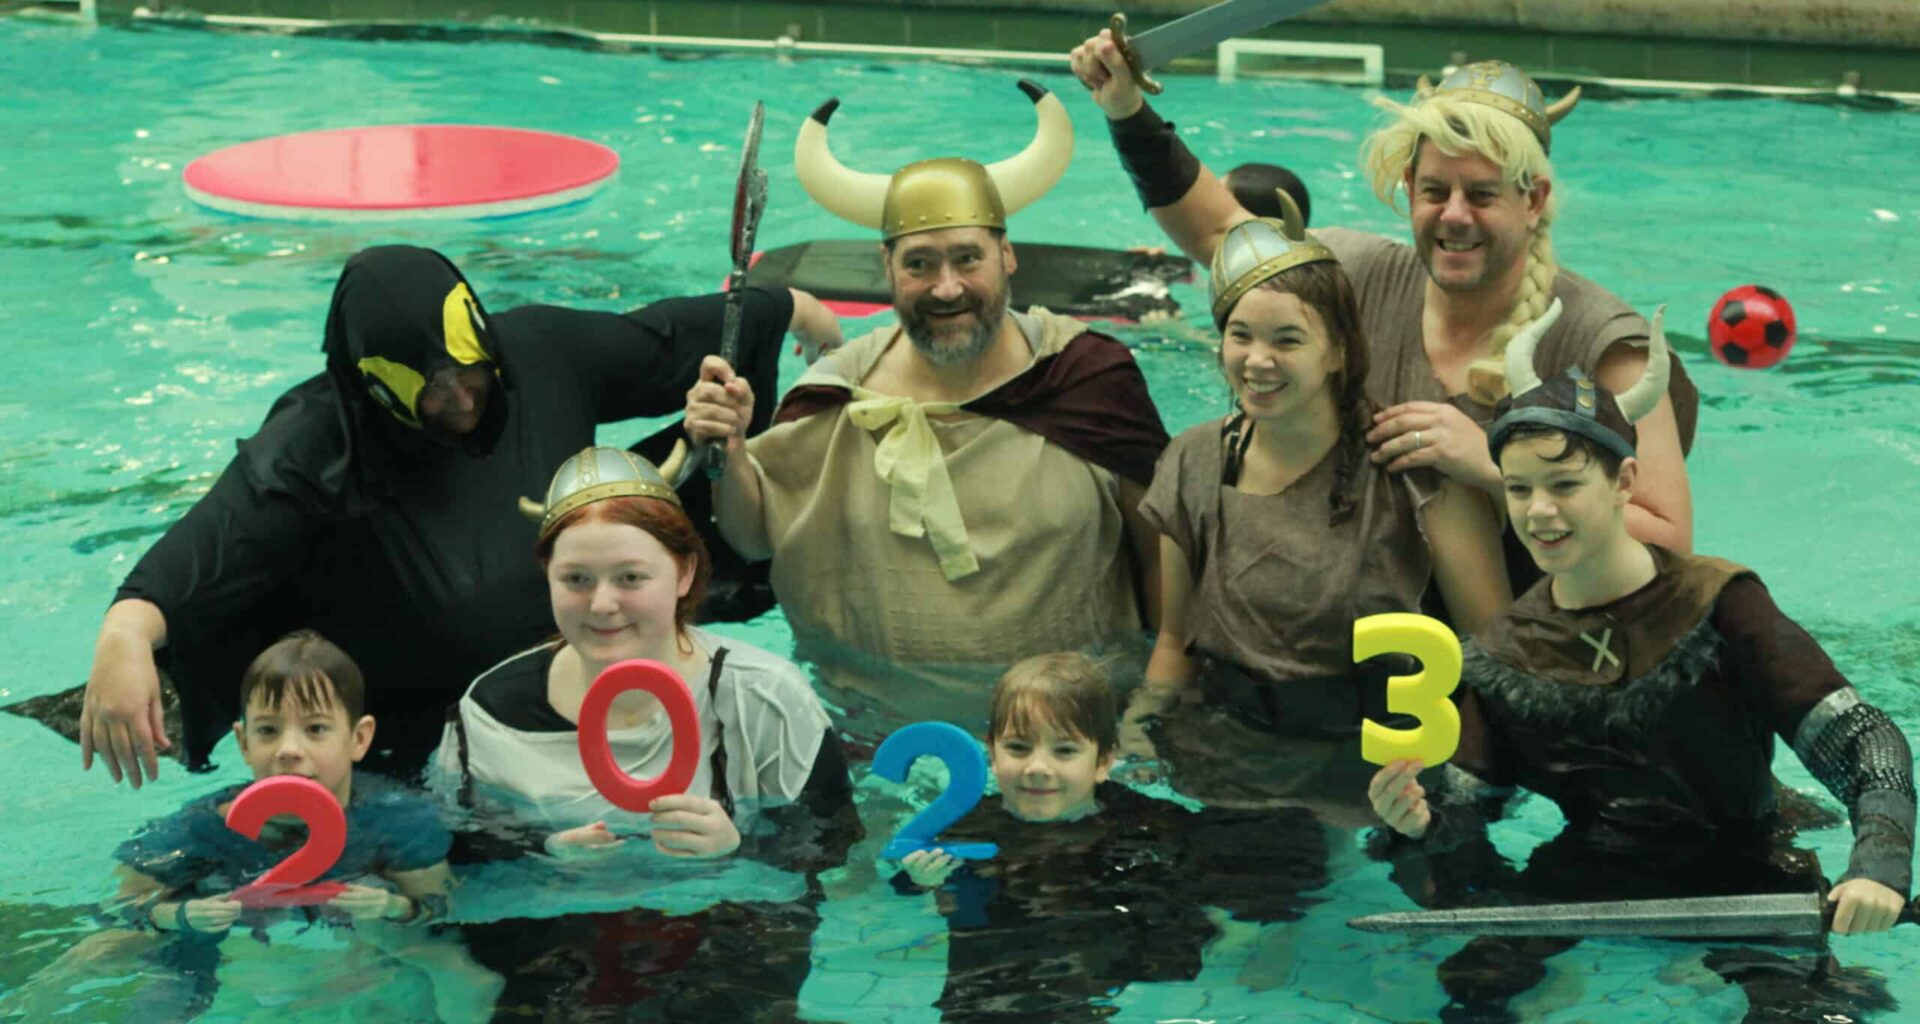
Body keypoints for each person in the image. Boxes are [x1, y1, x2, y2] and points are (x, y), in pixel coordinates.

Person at [80, 245, 842, 786]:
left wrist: (797, 312)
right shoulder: (321, 434)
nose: (459, 399)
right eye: (430, 390)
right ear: (369, 387)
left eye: (469, 373)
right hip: (409, 742)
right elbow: (220, 533)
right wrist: (128, 627)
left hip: (578, 685)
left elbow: (671, 334)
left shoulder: (536, 354)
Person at [1367, 314, 1914, 1016]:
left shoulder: (1723, 604)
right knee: (1470, 995)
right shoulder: (1509, 649)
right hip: (1584, 877)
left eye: (1564, 485)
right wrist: (1413, 821)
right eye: (1518, 488)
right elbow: (1465, 816)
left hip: (1742, 870)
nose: (1538, 512)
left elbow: (1867, 740)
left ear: (1624, 479)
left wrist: (1879, 866)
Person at [1070, 39, 1697, 581]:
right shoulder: (1358, 275)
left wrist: (1492, 463)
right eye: (1434, 191)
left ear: (1533, 200)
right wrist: (1127, 112)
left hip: (1532, 642)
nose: (1454, 215)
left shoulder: (1603, 344)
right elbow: (1220, 236)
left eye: (1481, 194)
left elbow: (1671, 540)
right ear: (1408, 191)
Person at [683, 81, 1170, 724]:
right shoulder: (836, 394)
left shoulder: (1086, 379)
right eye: (920, 264)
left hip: (1068, 742)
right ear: (888, 270)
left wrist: (1157, 709)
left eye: (968, 258)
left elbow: (1164, 554)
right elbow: (751, 540)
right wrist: (732, 450)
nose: (947, 288)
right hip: (873, 729)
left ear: (1008, 256)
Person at [1124, 197, 1511, 818]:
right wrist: (1137, 738)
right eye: (1239, 334)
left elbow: (1496, 655)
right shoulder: (1193, 461)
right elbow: (1175, 642)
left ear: (1337, 350)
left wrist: (1466, 787)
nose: (1257, 360)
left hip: (1383, 777)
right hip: (1228, 758)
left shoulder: (1414, 475)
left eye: (1287, 340)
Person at [431, 446, 855, 861]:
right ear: (548, 578)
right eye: (576, 579)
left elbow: (833, 848)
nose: (601, 604)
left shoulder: (766, 699)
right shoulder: (490, 715)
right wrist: (541, 859)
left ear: (684, 572)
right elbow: (456, 858)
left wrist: (741, 851)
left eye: (630, 577)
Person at [893, 653, 1327, 1023]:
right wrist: (921, 881)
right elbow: (921, 889)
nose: (1037, 767)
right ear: (990, 752)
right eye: (1019, 748)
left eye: (1064, 751)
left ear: (1103, 761)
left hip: (1099, 980)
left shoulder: (1146, 823)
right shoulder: (963, 827)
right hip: (988, 987)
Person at [106, 630, 460, 1016]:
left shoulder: (399, 822)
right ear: (243, 742)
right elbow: (124, 907)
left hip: (354, 969)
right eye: (268, 731)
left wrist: (394, 907)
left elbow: (438, 906)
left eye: (316, 729)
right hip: (225, 965)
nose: (288, 750)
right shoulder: (201, 831)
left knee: (466, 982)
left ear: (359, 738)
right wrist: (178, 914)